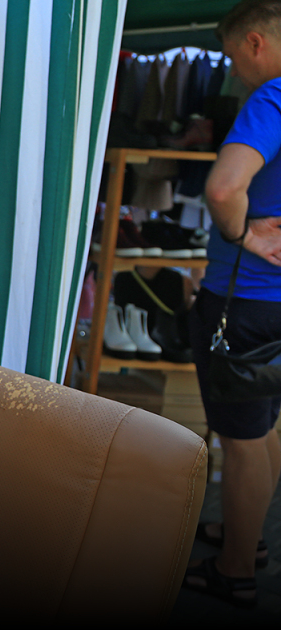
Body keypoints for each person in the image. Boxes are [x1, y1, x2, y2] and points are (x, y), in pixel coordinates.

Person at [185, 0, 281, 609]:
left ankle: (236, 568)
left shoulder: (273, 98)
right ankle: (248, 539)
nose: (232, 71)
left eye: (229, 57)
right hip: (273, 302)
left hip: (244, 299)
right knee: (263, 427)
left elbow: (223, 189)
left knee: (243, 441)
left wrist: (242, 234)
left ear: (254, 43)